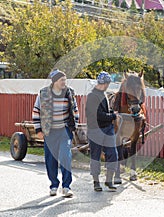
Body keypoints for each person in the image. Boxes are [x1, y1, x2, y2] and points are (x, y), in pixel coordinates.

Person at [32, 69, 78, 197]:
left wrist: (74, 126)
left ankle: (66, 186)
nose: (64, 82)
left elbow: (75, 109)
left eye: (65, 80)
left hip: (64, 131)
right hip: (50, 132)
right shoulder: (44, 93)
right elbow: (36, 111)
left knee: (65, 157)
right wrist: (38, 130)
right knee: (50, 160)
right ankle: (53, 185)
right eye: (62, 80)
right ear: (55, 81)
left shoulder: (69, 92)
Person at [85, 71, 118, 192]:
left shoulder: (104, 94)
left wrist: (111, 115)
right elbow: (97, 115)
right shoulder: (92, 96)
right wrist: (113, 116)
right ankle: (96, 182)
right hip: (95, 130)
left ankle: (109, 180)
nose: (108, 86)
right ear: (104, 83)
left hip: (108, 129)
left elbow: (106, 112)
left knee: (113, 154)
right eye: (108, 83)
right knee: (95, 156)